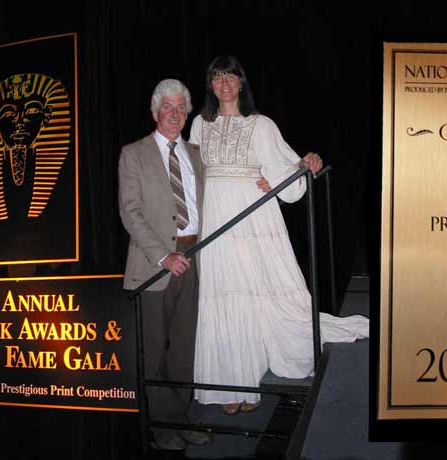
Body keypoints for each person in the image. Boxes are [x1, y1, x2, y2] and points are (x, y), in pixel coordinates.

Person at [189, 55, 369, 415]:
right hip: (215, 219)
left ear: (242, 83)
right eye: (217, 78)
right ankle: (231, 384)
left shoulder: (262, 125)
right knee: (224, 293)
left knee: (255, 290)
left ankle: (250, 375)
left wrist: (305, 165)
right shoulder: (199, 125)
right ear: (210, 85)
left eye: (231, 77)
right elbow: (193, 175)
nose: (224, 84)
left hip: (253, 216)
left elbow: (286, 173)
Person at [117, 78, 211, 451]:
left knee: (185, 348)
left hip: (196, 262)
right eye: (167, 107)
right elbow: (131, 213)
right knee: (153, 352)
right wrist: (164, 255)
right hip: (155, 266)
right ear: (155, 112)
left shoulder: (198, 154)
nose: (175, 114)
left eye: (180, 108)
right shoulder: (133, 153)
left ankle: (181, 418)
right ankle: (162, 428)